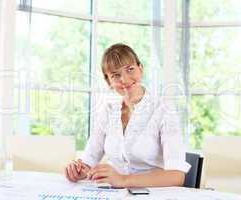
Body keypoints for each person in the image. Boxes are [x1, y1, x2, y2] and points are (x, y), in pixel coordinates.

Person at [65, 43, 190, 188]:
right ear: (109, 82)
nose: (124, 79)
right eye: (115, 75)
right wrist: (79, 171)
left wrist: (123, 180)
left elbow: (176, 176)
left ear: (140, 69)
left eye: (130, 69)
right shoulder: (108, 111)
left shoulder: (164, 110)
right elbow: (88, 161)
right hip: (116, 194)